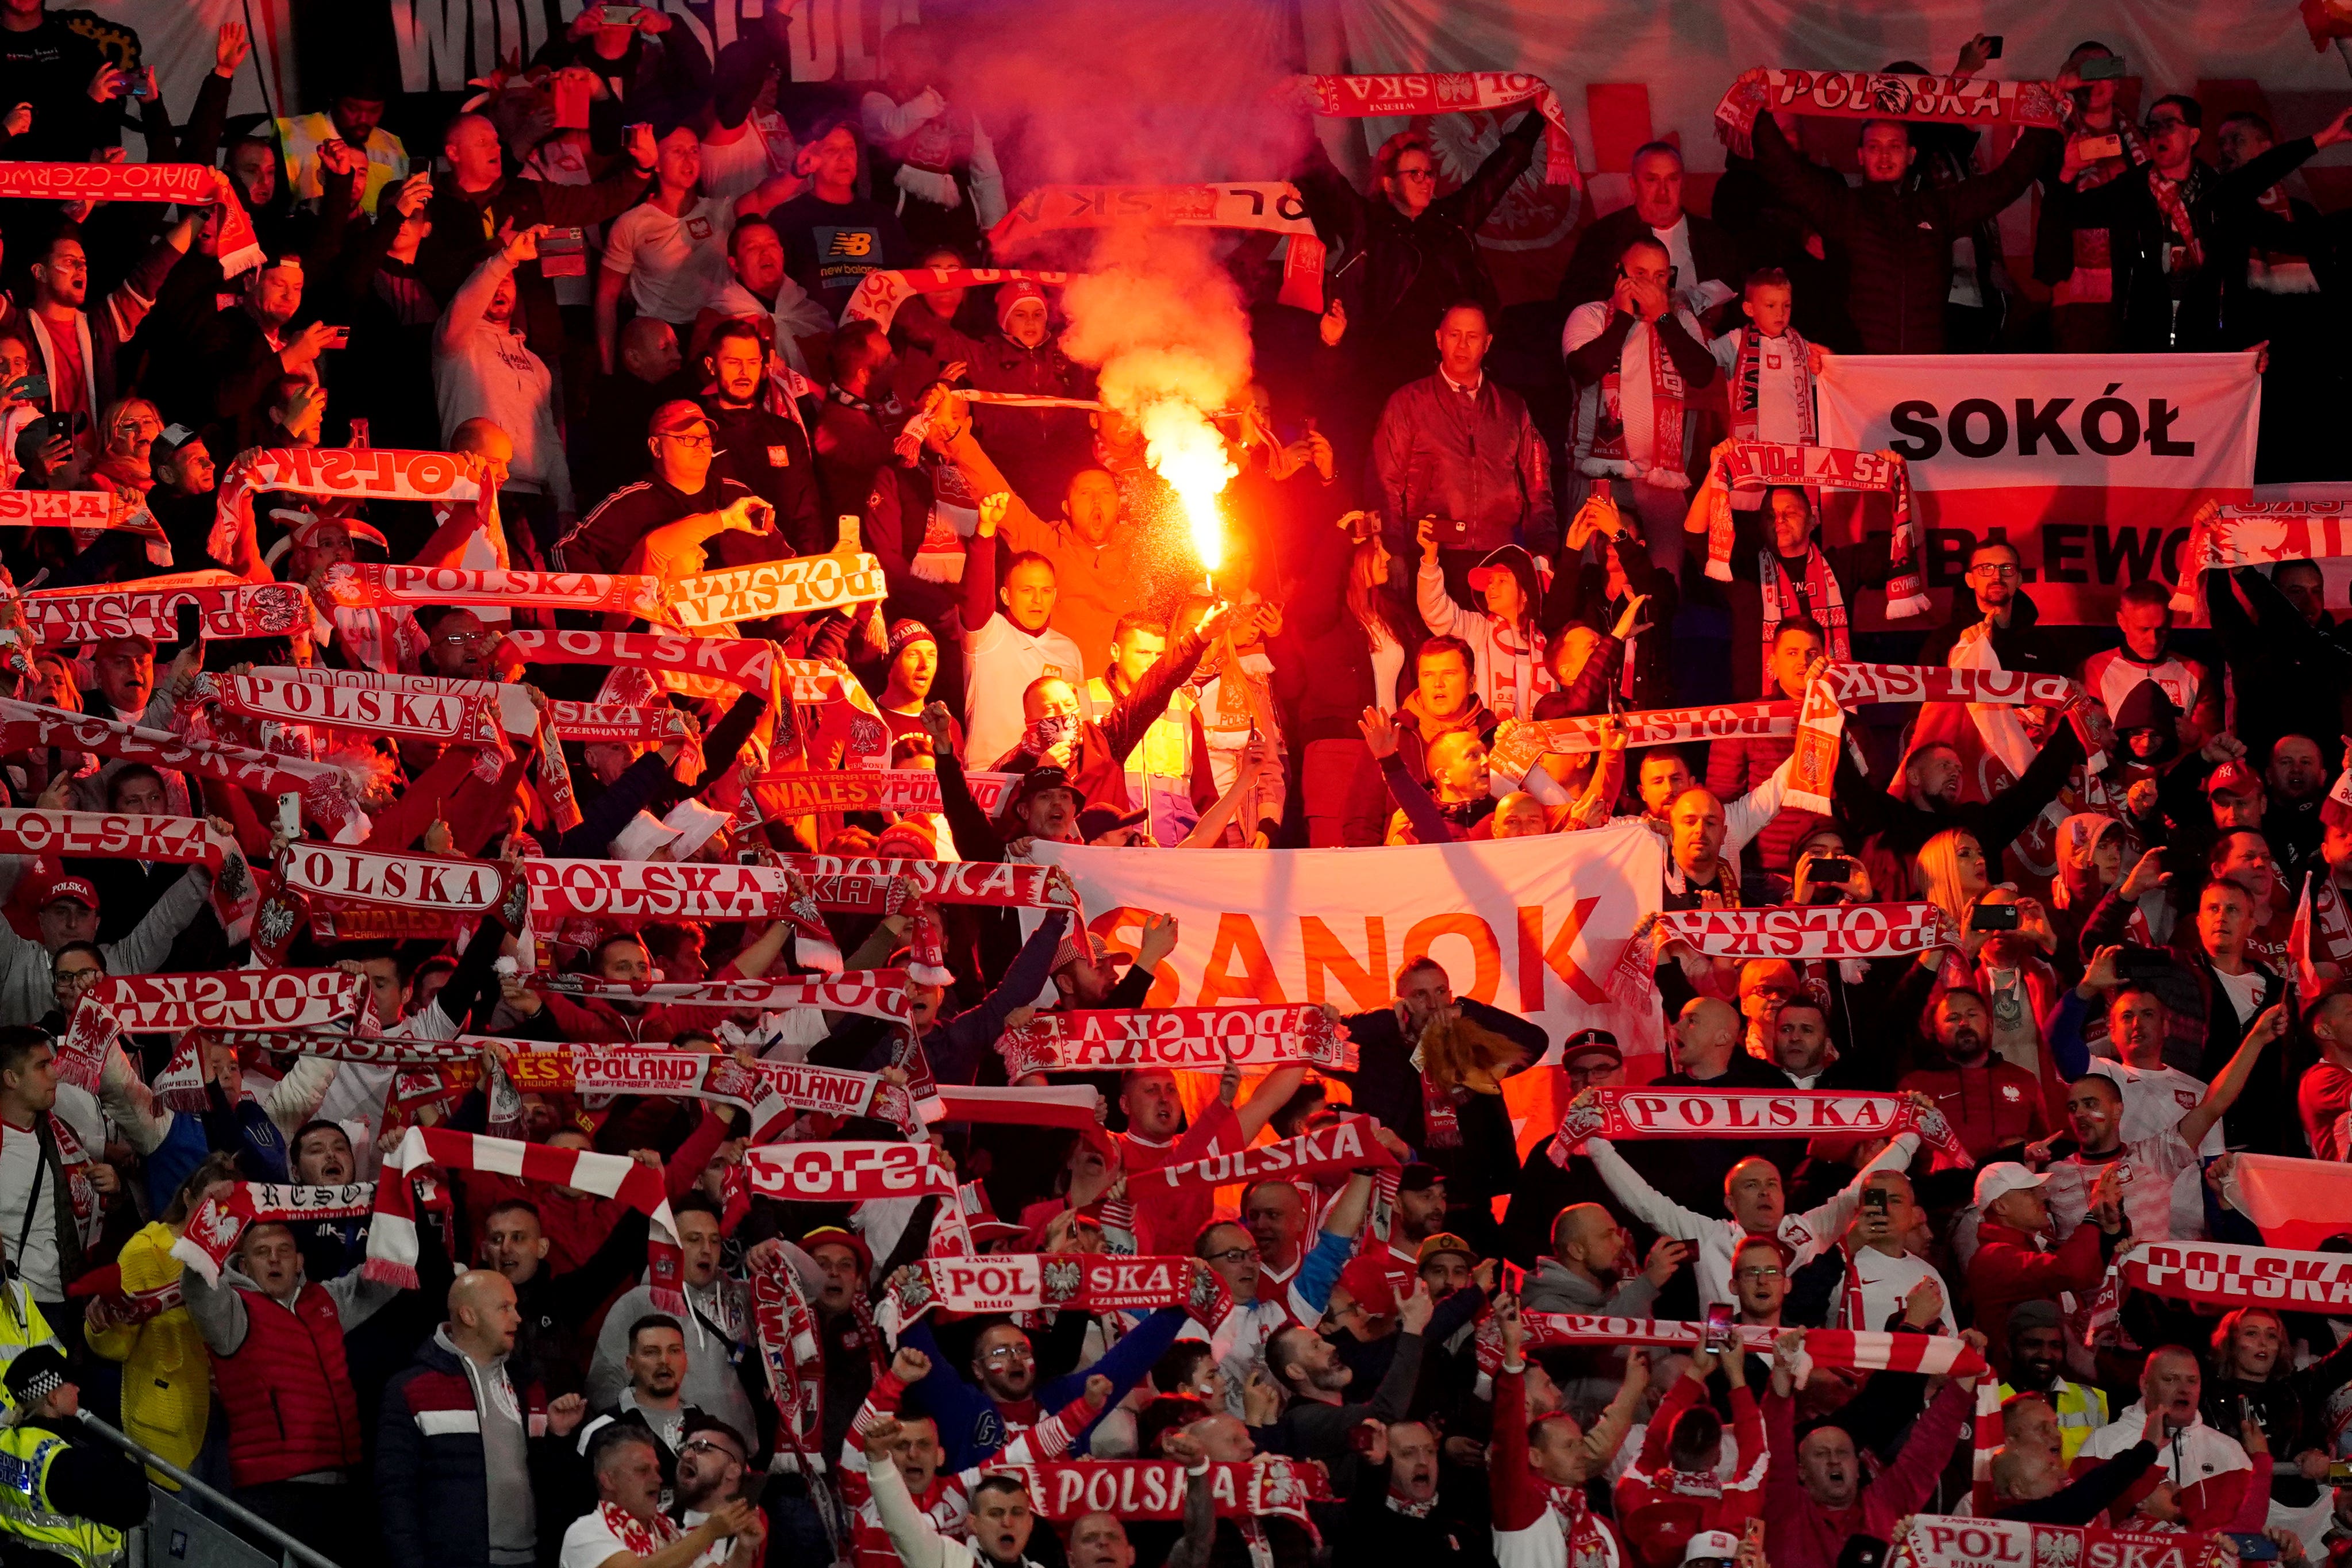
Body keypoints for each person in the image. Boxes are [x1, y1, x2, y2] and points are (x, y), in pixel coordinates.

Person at [1729, 84, 2061, 353]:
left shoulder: (1939, 208)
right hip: (1859, 370)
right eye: (1874, 147)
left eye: (1895, 146)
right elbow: (1788, 175)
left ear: (1911, 155)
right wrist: (1756, 111)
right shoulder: (1845, 207)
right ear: (1860, 155)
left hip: (1924, 369)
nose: (1885, 155)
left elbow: (2005, 184)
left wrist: (2042, 125)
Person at [1575, 1078, 1922, 1311]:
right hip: (1730, 1359)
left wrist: (1911, 1133)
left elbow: (1859, 1188)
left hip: (1800, 1360)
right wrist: (1594, 1140)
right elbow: (1644, 1201)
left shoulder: (1807, 1229)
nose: (1765, 1192)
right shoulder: (1710, 1236)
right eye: (1751, 1185)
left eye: (1772, 1183)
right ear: (1730, 1203)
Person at [180, 1219, 402, 1551]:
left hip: (345, 1484)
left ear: (299, 1261)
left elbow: (387, 1276)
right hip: (273, 1494)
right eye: (262, 1252)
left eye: (284, 1251)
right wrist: (212, 1218)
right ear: (243, 1264)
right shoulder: (234, 1310)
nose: (274, 1259)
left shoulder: (325, 1300)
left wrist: (397, 1207)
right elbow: (198, 1289)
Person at [379, 1269, 589, 1568]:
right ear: (469, 1316)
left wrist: (556, 1435)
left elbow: (551, 1483)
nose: (517, 1318)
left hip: (531, 1559)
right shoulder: (412, 1388)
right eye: (505, 1308)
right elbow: (396, 1494)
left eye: (515, 1308)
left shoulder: (528, 1384)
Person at [1760, 1324, 1984, 1568]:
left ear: (1858, 1467)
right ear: (1801, 1471)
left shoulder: (1885, 1503)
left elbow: (1929, 1448)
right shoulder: (1786, 1510)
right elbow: (1775, 1445)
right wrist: (1782, 1371)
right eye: (1821, 1454)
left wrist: (1967, 1369)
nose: (1834, 1460)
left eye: (1843, 1453)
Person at [1373, 301, 1558, 590]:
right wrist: (1394, 550)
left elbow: (1538, 485)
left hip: (1499, 559)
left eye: (1472, 337)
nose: (1462, 345)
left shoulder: (1512, 407)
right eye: (1454, 335)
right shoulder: (1408, 403)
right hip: (1431, 556)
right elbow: (1386, 483)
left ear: (1487, 344)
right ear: (1438, 339)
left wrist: (1542, 551)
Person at [1562, 237, 1720, 570]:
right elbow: (1584, 370)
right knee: (1596, 577)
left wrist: (1663, 317)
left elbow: (1702, 373)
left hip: (1662, 481)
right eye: (1641, 273)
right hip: (1601, 478)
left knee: (1661, 584)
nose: (1651, 284)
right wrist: (1622, 318)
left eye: (1661, 276)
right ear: (1619, 274)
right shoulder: (1589, 315)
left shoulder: (1679, 320)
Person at [433, 224, 575, 528]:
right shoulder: (456, 341)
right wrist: (505, 260)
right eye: (492, 280)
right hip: (475, 490)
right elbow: (465, 304)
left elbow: (549, 440)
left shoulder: (536, 363)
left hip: (533, 503)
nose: (499, 288)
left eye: (508, 281)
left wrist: (566, 505)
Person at [557, 399, 772, 576]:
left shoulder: (737, 495)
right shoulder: (631, 504)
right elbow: (567, 550)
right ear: (656, 447)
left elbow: (783, 559)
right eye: (687, 438)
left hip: (733, 626)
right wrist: (614, 606)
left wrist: (782, 621)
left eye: (705, 438)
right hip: (658, 626)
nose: (700, 445)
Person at [1558, 142, 1743, 325]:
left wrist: (1719, 317)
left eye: (1672, 179)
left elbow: (1743, 303)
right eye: (1652, 180)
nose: (1663, 191)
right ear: (1634, 185)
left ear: (1683, 183)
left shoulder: (1715, 239)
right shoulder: (1602, 238)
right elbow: (1574, 306)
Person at [598, 126, 735, 373]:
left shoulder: (719, 211)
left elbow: (761, 198)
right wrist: (608, 371)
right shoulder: (633, 223)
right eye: (678, 151)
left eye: (694, 151)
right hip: (660, 338)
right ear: (657, 164)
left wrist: (797, 173)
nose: (689, 159)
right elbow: (606, 298)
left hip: (714, 331)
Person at [2070, 1346, 2253, 1529]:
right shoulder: (2102, 1443)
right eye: (2170, 1379)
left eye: (2192, 1381)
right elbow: (2078, 1522)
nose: (2183, 1389)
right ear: (2145, 1386)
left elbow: (2255, 1522)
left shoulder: (2229, 1450)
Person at [0, 1346, 149, 1567]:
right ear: (52, 1397)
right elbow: (135, 1505)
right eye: (70, 1384)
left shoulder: (6, 1442)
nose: (78, 1389)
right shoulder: (62, 1463)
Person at [1964, 1162, 2123, 1363]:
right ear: (2001, 1206)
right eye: (2029, 1192)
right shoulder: (1992, 1258)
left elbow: (2089, 1274)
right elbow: (2070, 1271)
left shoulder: (2026, 1248)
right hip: (2018, 1385)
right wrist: (2092, 1216)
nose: (2042, 1197)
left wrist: (2110, 1225)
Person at [562, 1424, 763, 1568]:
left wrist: (743, 1550)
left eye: (657, 1470)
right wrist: (708, 1532)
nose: (658, 1479)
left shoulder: (668, 1531)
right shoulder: (586, 1532)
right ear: (609, 1480)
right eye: (642, 1470)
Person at [765, 118, 912, 311]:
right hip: (813, 334)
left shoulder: (882, 218)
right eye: (832, 150)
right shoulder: (787, 219)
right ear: (810, 156)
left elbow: (905, 284)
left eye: (850, 149)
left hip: (875, 332)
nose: (844, 158)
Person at [1999, 1300, 2109, 1466]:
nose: (2046, 1354)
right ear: (2009, 1348)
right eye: (2033, 1344)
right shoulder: (1991, 1402)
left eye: (2055, 1345)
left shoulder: (2094, 1399)